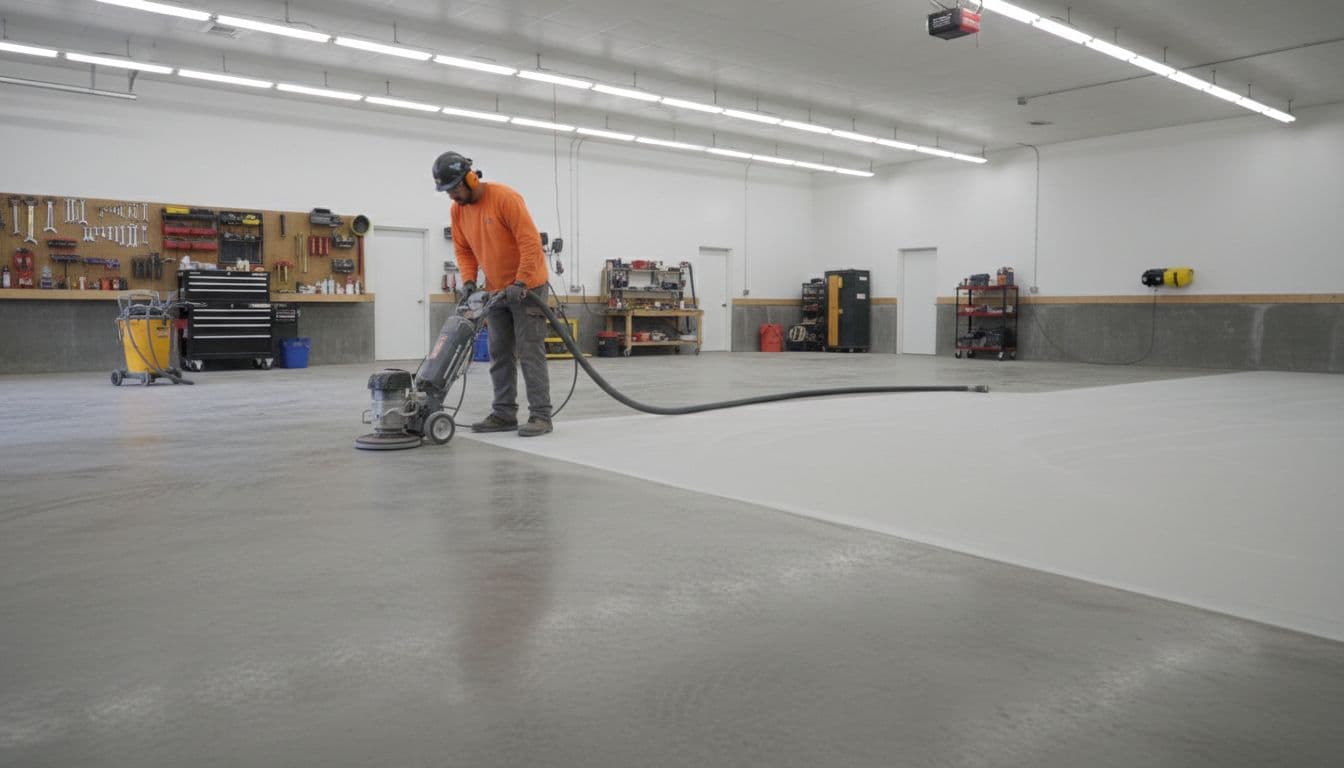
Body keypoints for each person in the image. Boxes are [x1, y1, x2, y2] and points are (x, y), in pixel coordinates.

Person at [434, 151, 553, 437]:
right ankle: (504, 414)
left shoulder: (505, 198)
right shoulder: (458, 210)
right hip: (496, 290)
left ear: (471, 178)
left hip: (528, 288)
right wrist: (469, 281)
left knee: (529, 351)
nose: (452, 196)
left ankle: (541, 416)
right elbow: (463, 250)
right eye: (447, 191)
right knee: (499, 352)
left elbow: (530, 243)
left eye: (454, 189)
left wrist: (522, 282)